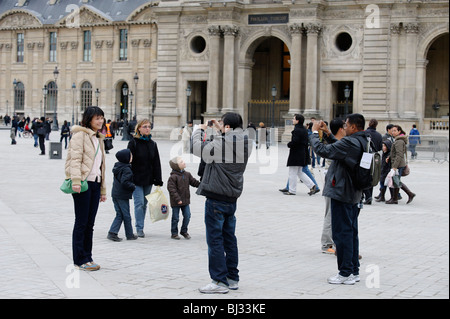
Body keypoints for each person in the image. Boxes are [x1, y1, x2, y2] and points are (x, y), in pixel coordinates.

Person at [192, 112, 252, 294]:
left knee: (215, 240)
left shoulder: (223, 142)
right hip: (231, 196)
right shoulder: (245, 141)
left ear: (227, 126)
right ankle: (232, 277)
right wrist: (221, 131)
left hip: (216, 195)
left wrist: (197, 130)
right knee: (229, 238)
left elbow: (198, 149)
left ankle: (219, 280)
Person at [310, 113, 369, 285]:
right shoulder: (363, 140)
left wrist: (314, 134)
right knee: (351, 233)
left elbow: (323, 151)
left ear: (353, 127)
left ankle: (344, 273)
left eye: (346, 125)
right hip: (354, 192)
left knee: (341, 233)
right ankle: (353, 270)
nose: (344, 128)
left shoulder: (351, 142)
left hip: (342, 191)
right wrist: (328, 134)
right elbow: (341, 151)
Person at [65, 106, 107, 271]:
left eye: (101, 118)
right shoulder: (80, 135)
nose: (100, 121)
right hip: (83, 183)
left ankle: (88, 257)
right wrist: (75, 180)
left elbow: (101, 166)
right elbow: (75, 159)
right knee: (81, 222)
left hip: (95, 183)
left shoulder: (99, 138)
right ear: (89, 119)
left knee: (90, 223)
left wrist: (103, 190)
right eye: (97, 118)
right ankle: (79, 259)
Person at [127, 119, 163, 238]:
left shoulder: (153, 144)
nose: (147, 128)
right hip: (136, 178)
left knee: (144, 204)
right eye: (145, 126)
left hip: (148, 178)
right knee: (139, 203)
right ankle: (139, 228)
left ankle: (140, 225)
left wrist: (158, 179)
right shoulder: (133, 143)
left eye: (149, 126)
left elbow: (156, 162)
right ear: (139, 128)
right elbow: (128, 161)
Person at [321, 118, 346, 255]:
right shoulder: (337, 144)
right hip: (333, 182)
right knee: (331, 213)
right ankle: (326, 243)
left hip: (334, 181)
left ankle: (333, 242)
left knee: (332, 212)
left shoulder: (336, 142)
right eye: (345, 126)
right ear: (341, 129)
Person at [283, 114, 318, 196]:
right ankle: (312, 185)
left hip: (296, 153)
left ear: (297, 121)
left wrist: (289, 144)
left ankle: (292, 190)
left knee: (292, 172)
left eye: (294, 119)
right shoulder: (304, 129)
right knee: (299, 172)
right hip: (302, 153)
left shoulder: (297, 130)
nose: (292, 120)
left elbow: (295, 142)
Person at [107, 149, 137, 242]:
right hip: (122, 195)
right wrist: (133, 186)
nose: (132, 157)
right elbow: (125, 182)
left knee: (120, 214)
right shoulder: (127, 169)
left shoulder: (117, 166)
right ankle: (129, 235)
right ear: (126, 158)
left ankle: (112, 232)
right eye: (130, 156)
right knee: (126, 215)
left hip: (115, 193)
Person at [167, 156, 200, 240]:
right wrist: (178, 199)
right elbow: (172, 189)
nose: (184, 162)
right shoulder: (173, 177)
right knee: (175, 218)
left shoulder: (187, 174)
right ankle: (174, 233)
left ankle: (184, 231)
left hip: (185, 201)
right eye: (181, 162)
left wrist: (202, 185)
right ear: (176, 166)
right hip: (176, 202)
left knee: (187, 216)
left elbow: (194, 182)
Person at [386, 125, 416, 204]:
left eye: (395, 130)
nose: (393, 132)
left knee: (396, 181)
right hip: (398, 163)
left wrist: (394, 167)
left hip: (398, 165)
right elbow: (395, 153)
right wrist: (389, 157)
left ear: (399, 131)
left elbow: (399, 155)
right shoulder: (397, 140)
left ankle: (399, 197)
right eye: (392, 131)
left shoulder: (399, 141)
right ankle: (395, 198)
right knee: (396, 181)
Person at [362, 119, 383, 205]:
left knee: (364, 175)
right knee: (372, 175)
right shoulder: (379, 135)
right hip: (375, 157)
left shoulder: (365, 133)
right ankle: (369, 195)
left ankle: (367, 195)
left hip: (366, 156)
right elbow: (380, 147)